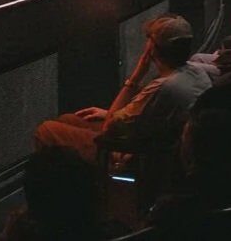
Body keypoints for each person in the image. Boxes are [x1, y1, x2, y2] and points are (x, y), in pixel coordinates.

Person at [32, 15, 210, 164]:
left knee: (46, 130)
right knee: (68, 119)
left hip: (134, 154)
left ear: (152, 49)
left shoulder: (162, 87)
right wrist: (110, 113)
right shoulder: (197, 72)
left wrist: (135, 77)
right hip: (159, 142)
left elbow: (109, 128)